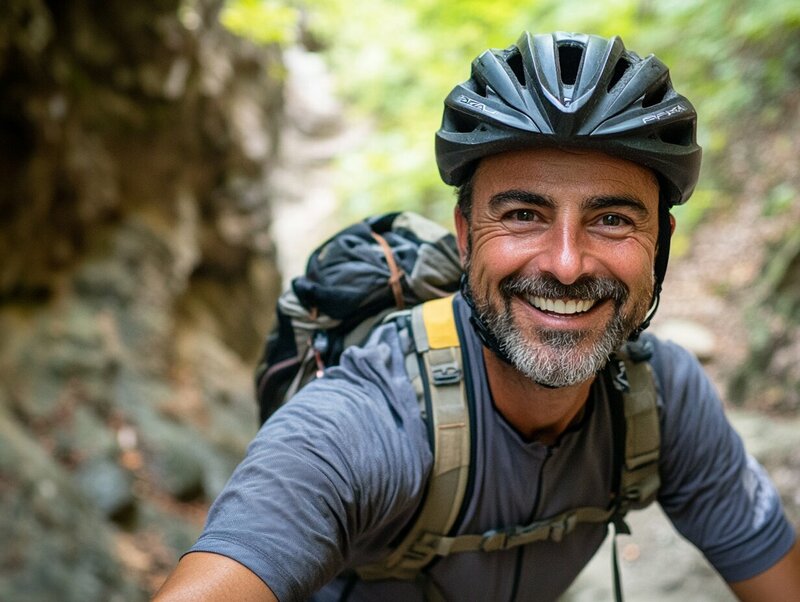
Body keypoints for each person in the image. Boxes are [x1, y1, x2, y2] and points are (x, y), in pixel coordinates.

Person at [155, 31, 800, 601]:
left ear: (659, 242)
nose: (568, 264)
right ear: (465, 235)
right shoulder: (366, 423)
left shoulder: (665, 403)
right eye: (523, 215)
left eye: (611, 219)